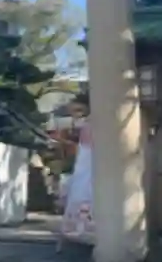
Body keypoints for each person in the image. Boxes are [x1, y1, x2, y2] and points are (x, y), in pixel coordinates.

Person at [58, 92, 95, 249]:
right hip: (84, 168)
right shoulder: (87, 125)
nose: (76, 115)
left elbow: (88, 148)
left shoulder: (91, 124)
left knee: (84, 194)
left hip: (90, 168)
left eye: (79, 110)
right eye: (74, 111)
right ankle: (80, 229)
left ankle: (82, 230)